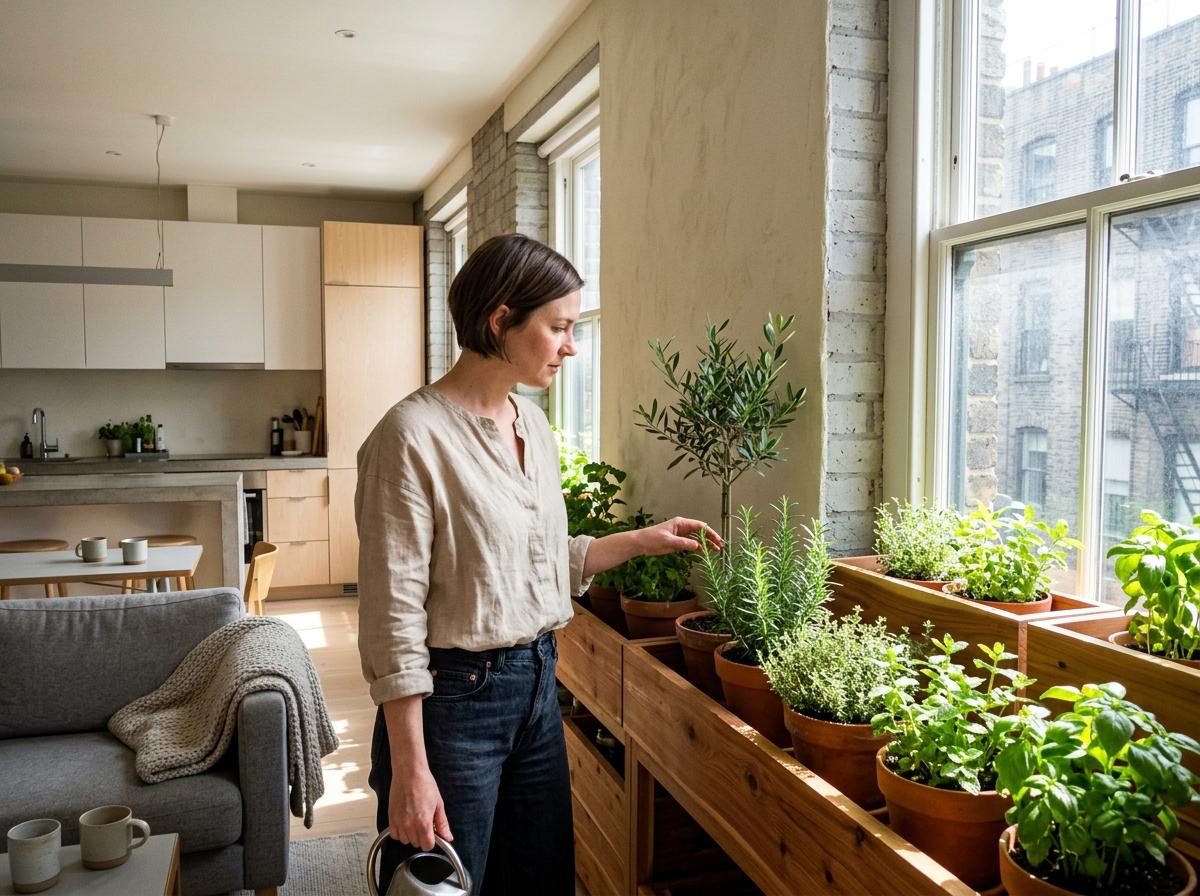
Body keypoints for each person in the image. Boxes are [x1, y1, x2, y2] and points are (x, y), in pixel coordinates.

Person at [355, 233, 721, 895]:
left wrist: (642, 539)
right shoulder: (409, 437)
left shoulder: (534, 425)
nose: (571, 346)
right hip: (452, 703)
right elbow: (391, 618)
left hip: (537, 685)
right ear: (500, 320)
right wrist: (410, 767)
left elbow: (539, 564)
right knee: (440, 886)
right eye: (558, 328)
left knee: (542, 881)